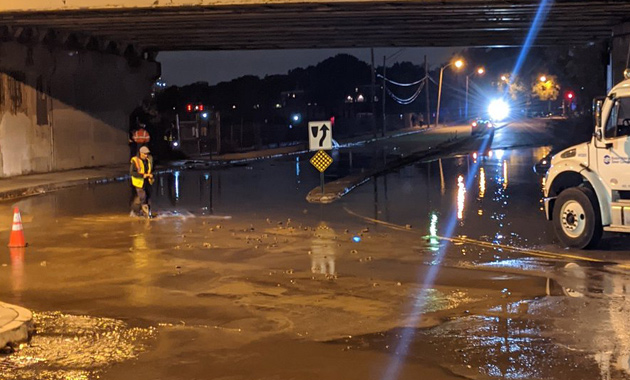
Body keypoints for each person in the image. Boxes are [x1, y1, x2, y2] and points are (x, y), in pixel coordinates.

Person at [130, 146, 155, 218]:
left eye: (147, 154)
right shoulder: (135, 161)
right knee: (143, 197)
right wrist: (143, 175)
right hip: (138, 182)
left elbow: (149, 170)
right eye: (145, 154)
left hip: (147, 182)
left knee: (146, 197)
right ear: (141, 153)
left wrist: (150, 175)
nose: (146, 155)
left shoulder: (147, 161)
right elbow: (132, 173)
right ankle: (144, 214)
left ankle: (139, 212)